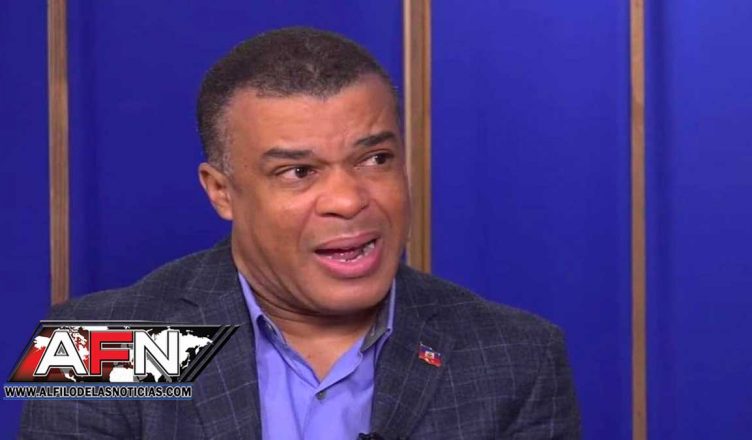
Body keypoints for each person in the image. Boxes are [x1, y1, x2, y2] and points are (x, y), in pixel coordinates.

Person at [20, 27, 580, 439]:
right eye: (298, 171)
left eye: (376, 159)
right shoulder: (106, 348)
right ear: (221, 191)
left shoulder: (512, 358)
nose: (349, 200)